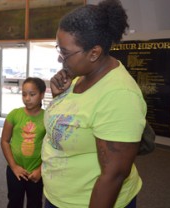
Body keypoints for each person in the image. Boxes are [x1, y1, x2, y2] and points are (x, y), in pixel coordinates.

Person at [41, 0, 147, 208]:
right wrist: (58, 98)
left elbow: (113, 176)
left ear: (94, 53)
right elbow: (72, 123)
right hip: (59, 196)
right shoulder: (79, 76)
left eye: (65, 52)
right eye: (58, 49)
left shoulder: (119, 95)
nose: (59, 59)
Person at [1, 77, 46, 208]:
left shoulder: (47, 117)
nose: (27, 98)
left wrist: (40, 170)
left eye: (32, 94)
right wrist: (14, 166)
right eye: (24, 94)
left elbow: (53, 148)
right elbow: (4, 141)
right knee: (14, 201)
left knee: (35, 202)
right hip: (15, 170)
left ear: (42, 94)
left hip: (36, 172)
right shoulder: (14, 115)